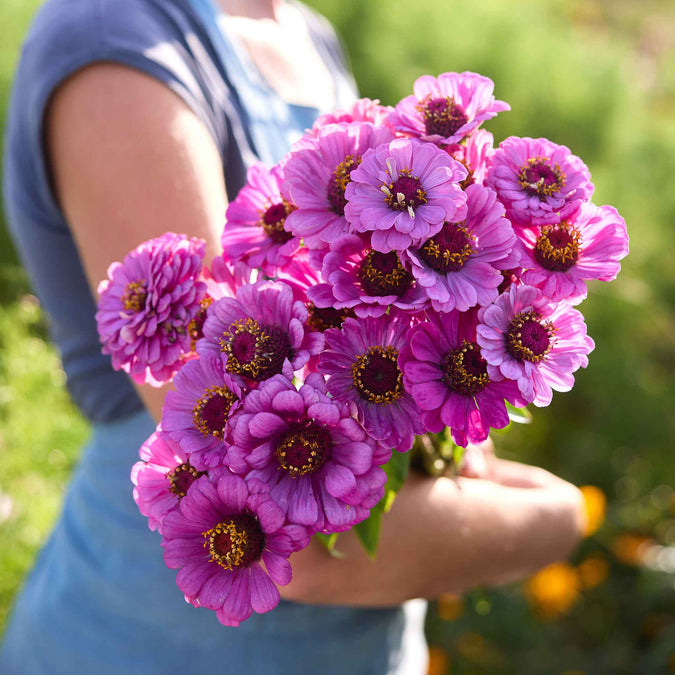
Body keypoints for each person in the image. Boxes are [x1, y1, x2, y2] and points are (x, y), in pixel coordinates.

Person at [0, 0, 587, 672]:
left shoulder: (306, 32)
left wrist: (447, 431)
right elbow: (296, 541)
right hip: (153, 644)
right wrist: (556, 520)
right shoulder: (110, 35)